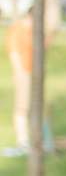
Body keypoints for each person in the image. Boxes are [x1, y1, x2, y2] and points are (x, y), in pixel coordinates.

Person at [6, 15, 31, 151]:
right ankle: (22, 139)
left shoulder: (32, 31)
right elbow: (13, 52)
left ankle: (35, 138)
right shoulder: (17, 29)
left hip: (33, 74)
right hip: (23, 74)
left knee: (34, 106)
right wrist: (20, 73)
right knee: (22, 106)